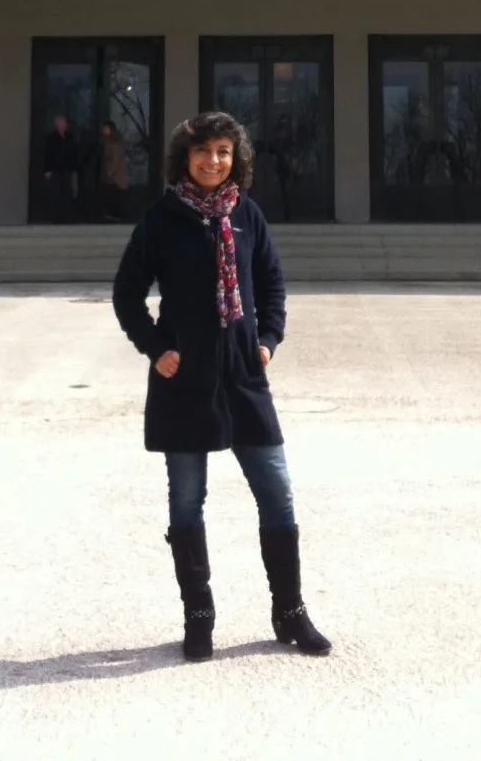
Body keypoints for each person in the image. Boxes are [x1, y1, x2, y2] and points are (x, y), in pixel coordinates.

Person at [112, 110, 331, 662]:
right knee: (187, 501)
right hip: (183, 379)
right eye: (203, 151)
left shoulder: (247, 216)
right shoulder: (162, 219)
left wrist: (269, 339)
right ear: (185, 158)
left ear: (236, 160)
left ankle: (290, 612)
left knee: (276, 492)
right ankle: (199, 618)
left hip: (242, 375)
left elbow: (273, 282)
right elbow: (126, 292)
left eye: (224, 153)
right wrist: (156, 348)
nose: (214, 161)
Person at [42, 114, 79, 223]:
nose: (64, 125)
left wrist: (74, 167)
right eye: (62, 123)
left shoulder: (70, 137)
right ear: (57, 124)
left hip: (67, 169)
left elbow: (74, 153)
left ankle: (66, 217)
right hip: (55, 169)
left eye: (65, 123)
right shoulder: (51, 138)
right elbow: (47, 154)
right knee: (55, 193)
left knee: (67, 193)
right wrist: (47, 169)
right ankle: (55, 218)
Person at [100, 120, 130, 222]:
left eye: (106, 129)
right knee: (112, 195)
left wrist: (110, 173)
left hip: (115, 176)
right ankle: (112, 215)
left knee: (115, 195)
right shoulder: (107, 140)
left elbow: (116, 159)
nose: (104, 131)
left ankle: (116, 215)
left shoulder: (115, 141)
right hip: (111, 175)